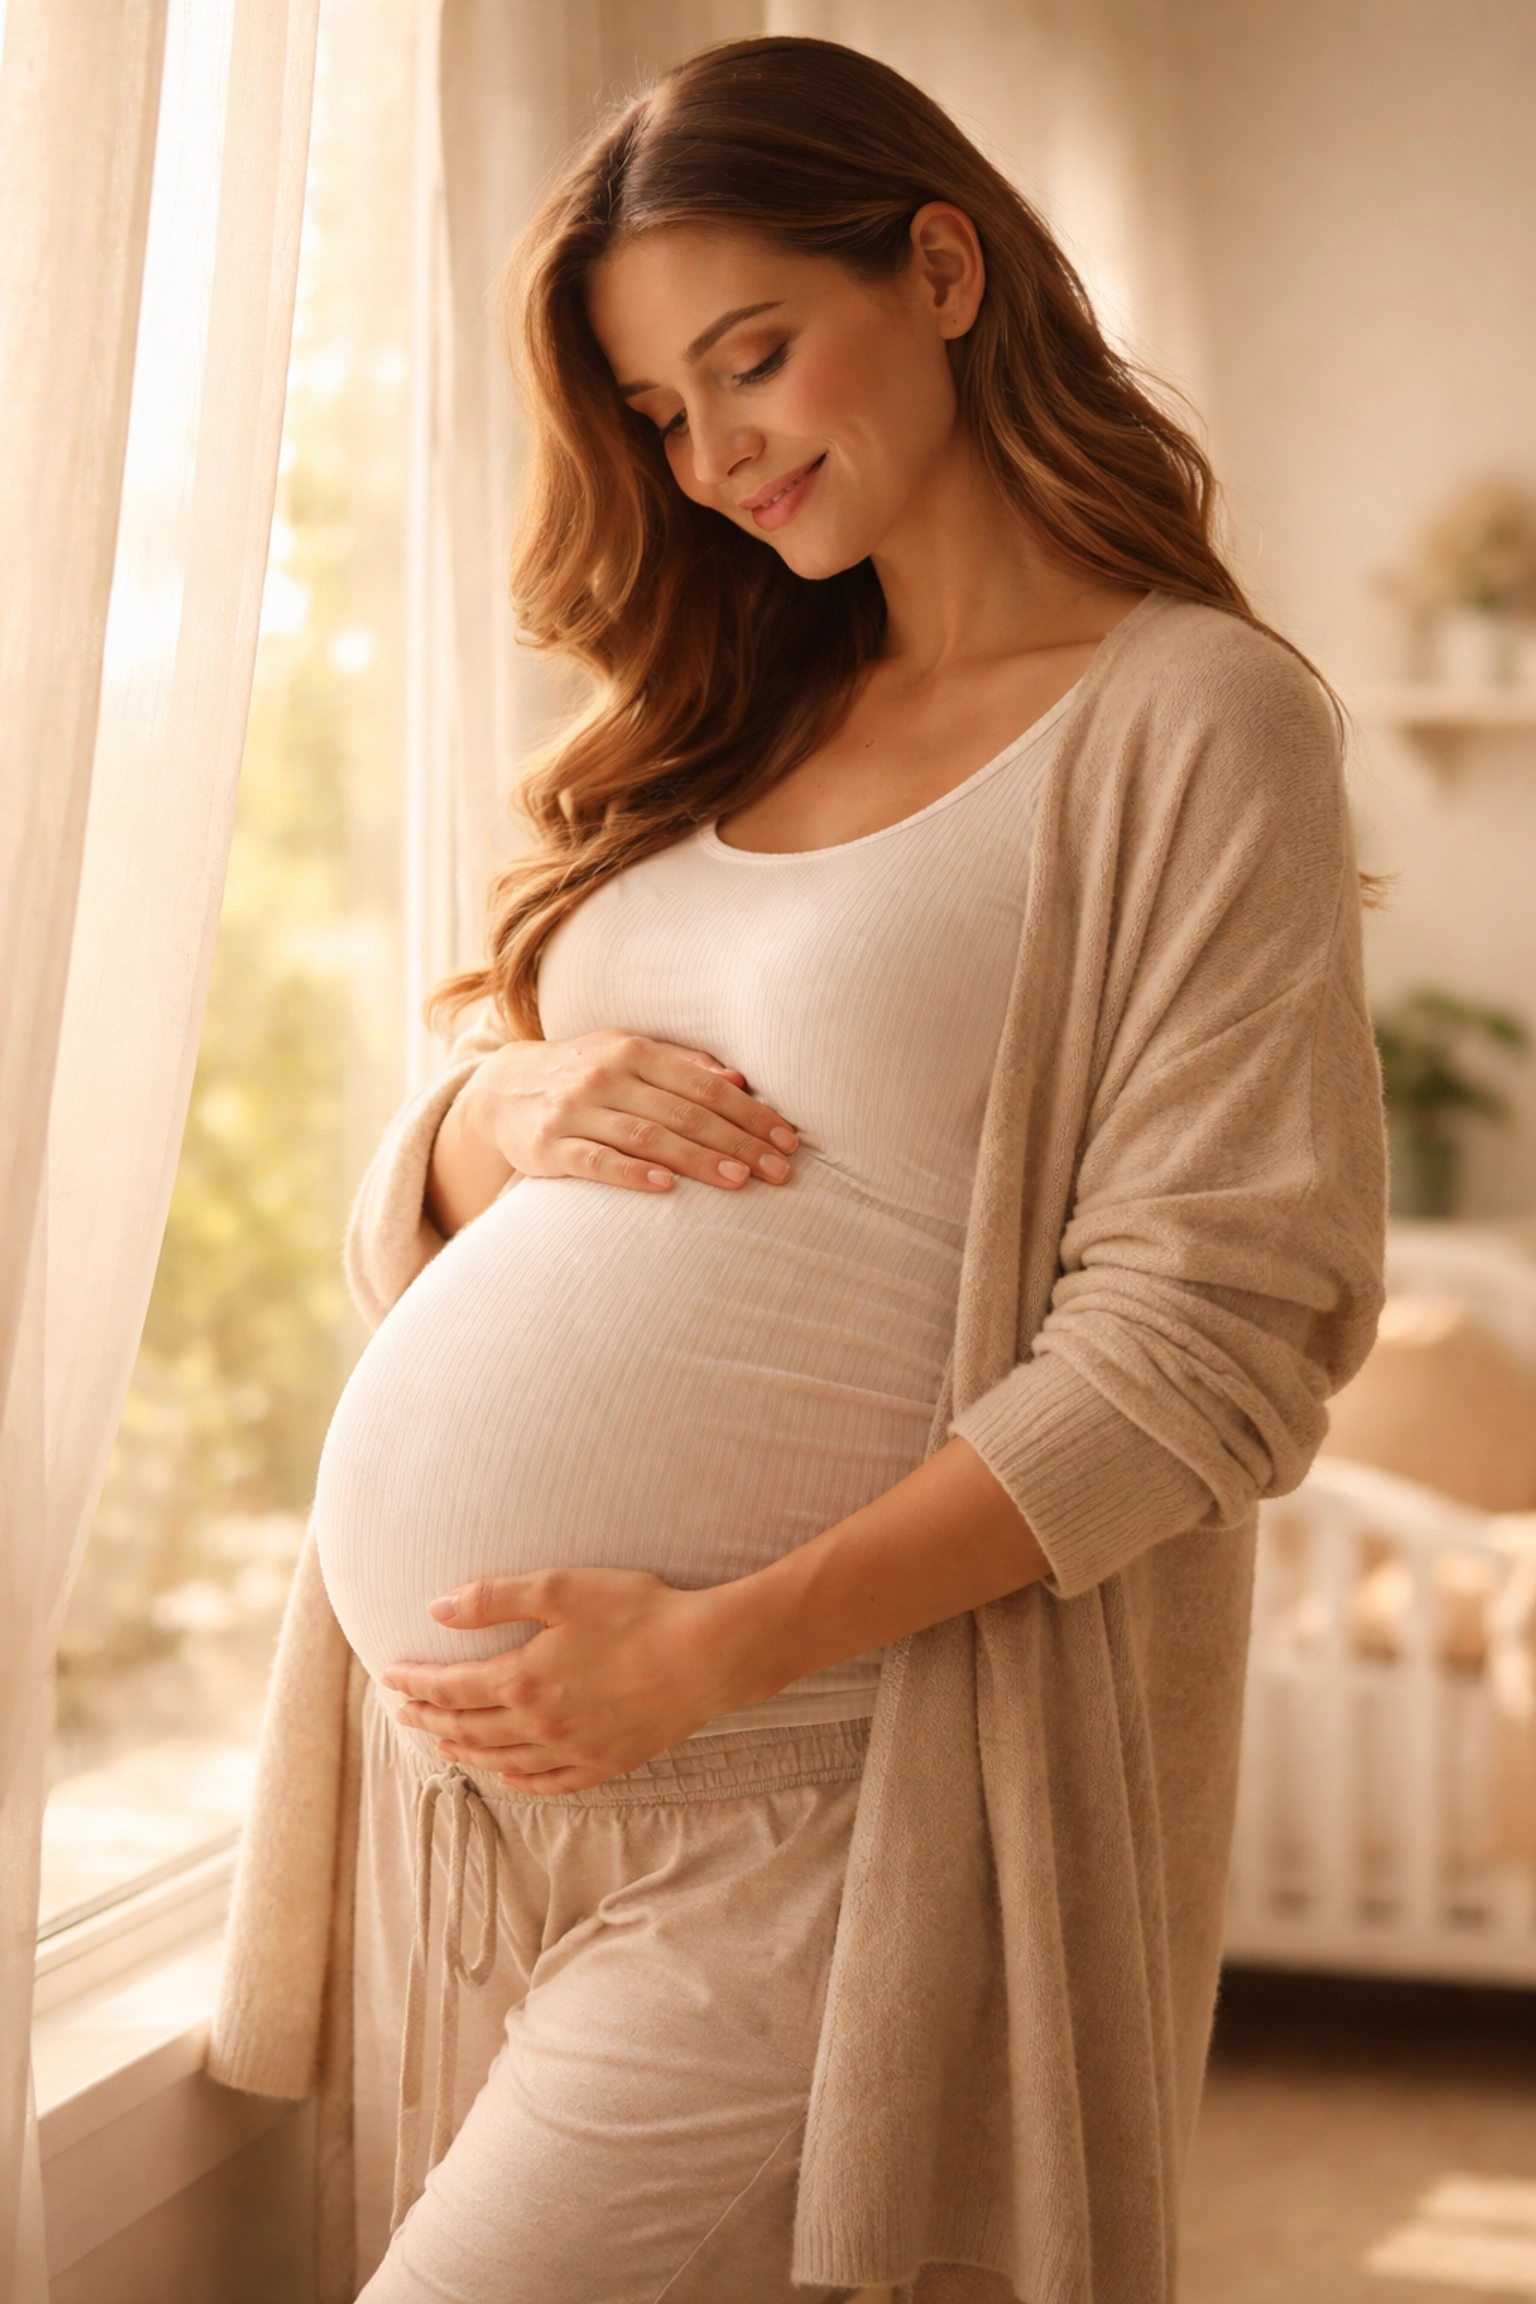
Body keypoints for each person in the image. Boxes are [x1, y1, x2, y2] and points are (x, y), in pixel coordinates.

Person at [210, 35, 1386, 2304]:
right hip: (479, 1810)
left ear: (939, 266)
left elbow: (1219, 1339)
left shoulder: (1191, 723)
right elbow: (482, 1165)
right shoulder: (733, 706)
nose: (716, 448)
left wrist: (714, 1647)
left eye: (752, 356)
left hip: (817, 1798)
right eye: (660, 409)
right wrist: (482, 1120)